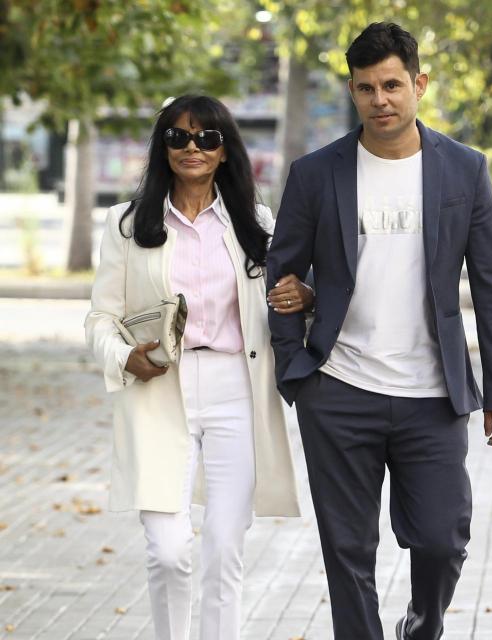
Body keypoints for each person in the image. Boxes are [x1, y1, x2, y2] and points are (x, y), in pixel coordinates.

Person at [266, 22, 492, 640]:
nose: (380, 100)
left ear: (418, 84)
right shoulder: (315, 173)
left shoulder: (464, 170)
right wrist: (293, 370)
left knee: (442, 540)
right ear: (352, 93)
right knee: (347, 552)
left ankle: (420, 626)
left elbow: (491, 286)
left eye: (391, 85)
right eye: (365, 89)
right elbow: (281, 277)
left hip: (432, 396)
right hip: (338, 390)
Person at [85, 95, 312, 640]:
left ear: (224, 150)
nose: (193, 148)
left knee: (224, 549)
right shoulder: (126, 224)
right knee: (167, 552)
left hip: (236, 388)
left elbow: (284, 301)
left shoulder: (255, 223)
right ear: (162, 147)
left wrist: (303, 296)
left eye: (208, 138)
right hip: (159, 388)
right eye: (179, 137)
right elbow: (99, 318)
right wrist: (123, 358)